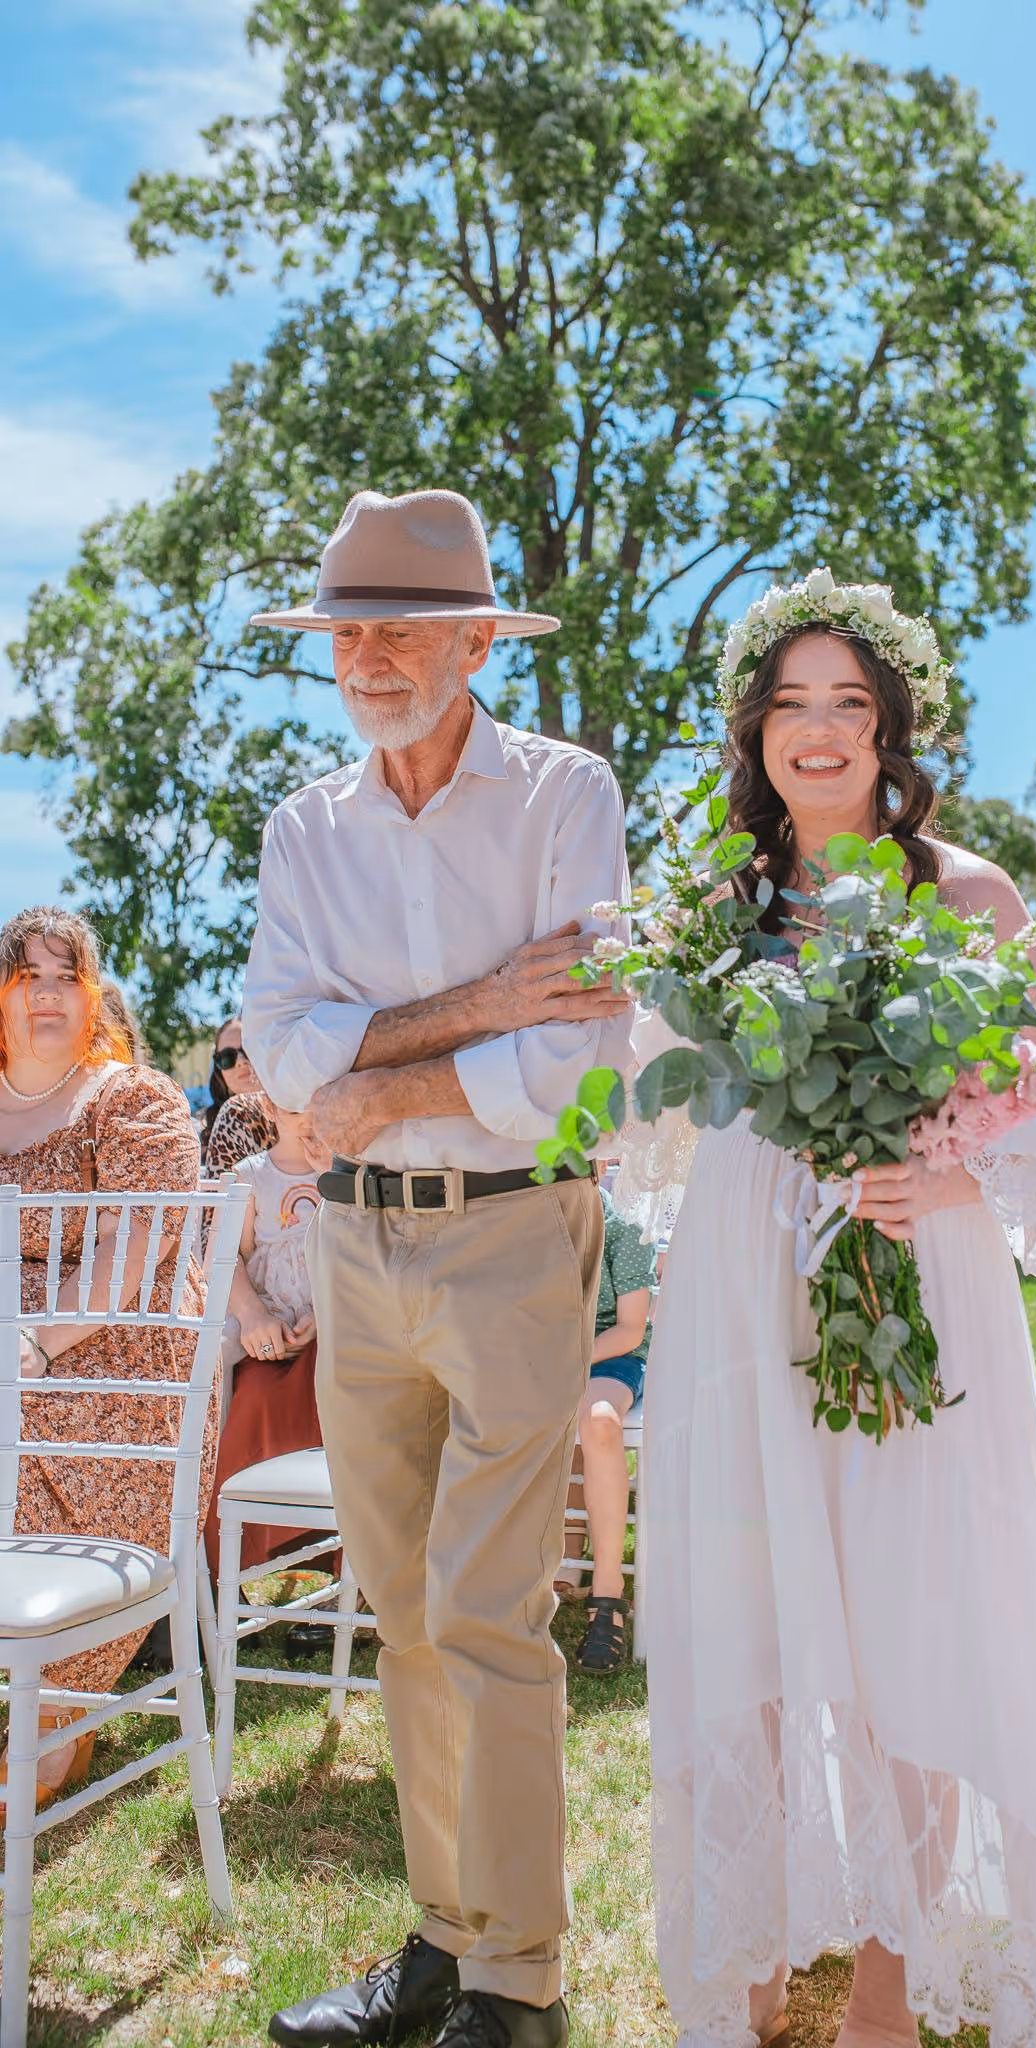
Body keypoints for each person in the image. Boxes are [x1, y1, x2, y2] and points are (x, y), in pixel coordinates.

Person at [618, 583, 1036, 2048]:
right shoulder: (705, 907)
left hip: (910, 1291)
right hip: (741, 1296)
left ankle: (886, 1988)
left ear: (891, 730)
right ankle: (747, 1957)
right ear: (750, 731)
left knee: (911, 1624)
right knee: (746, 1621)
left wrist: (936, 1185)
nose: (818, 734)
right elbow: (642, 1124)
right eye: (790, 706)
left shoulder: (972, 895)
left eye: (849, 706)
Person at [242, 489, 633, 2048]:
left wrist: (381, 1070)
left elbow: (579, 1049)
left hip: (512, 1236)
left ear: (480, 638)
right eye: (348, 631)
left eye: (403, 626)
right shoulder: (303, 827)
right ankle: (441, 1938)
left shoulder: (563, 794)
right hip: (355, 1243)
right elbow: (280, 1053)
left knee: (483, 1612)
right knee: (398, 1610)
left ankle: (518, 1987)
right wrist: (469, 1009)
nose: (371, 657)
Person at [0, 906, 214, 1809]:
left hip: (121, 1378)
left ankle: (52, 1717)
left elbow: (135, 1248)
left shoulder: (133, 1101)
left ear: (93, 999)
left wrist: (31, 1343)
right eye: (26, 977)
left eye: (66, 977)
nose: (46, 995)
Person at [203, 1093, 331, 1583]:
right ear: (271, 1110)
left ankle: (327, 1561)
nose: (311, 1120)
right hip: (267, 1330)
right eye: (298, 1107)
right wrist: (255, 1316)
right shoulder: (250, 1176)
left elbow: (361, 1254)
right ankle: (247, 1568)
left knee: (330, 1397)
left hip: (333, 1326)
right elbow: (224, 1256)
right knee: (256, 1401)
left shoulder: (348, 1172)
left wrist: (323, 1316)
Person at [556, 1179, 655, 1674]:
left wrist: (565, 1361)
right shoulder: (521, 1226)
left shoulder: (623, 1230)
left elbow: (631, 1328)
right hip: (540, 1359)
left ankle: (608, 1595)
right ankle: (539, 1570)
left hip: (611, 1356)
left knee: (598, 1422)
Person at [202, 1015, 276, 1174]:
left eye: (248, 1050)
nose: (241, 1061)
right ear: (218, 1070)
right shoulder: (199, 1136)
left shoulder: (299, 1115)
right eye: (227, 1057)